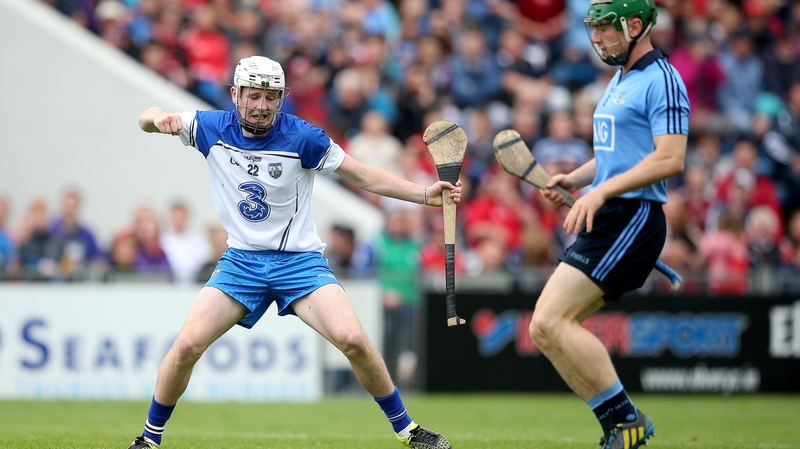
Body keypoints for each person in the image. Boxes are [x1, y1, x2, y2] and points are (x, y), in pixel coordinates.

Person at [127, 55, 460, 449]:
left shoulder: (304, 137)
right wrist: (159, 117)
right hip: (241, 263)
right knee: (185, 346)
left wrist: (423, 195)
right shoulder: (210, 127)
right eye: (254, 96)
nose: (263, 105)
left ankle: (408, 431)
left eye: (271, 97)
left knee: (353, 338)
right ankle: (149, 440)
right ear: (236, 95)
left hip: (299, 263)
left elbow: (363, 174)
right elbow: (145, 117)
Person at [533, 2, 689, 449]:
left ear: (635, 26)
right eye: (592, 30)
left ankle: (627, 423)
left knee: (552, 319)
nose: (596, 40)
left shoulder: (662, 79)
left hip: (633, 214)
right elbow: (616, 152)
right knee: (545, 329)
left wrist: (600, 192)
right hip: (611, 212)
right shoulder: (620, 80)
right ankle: (619, 427)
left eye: (604, 30)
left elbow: (669, 157)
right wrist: (580, 179)